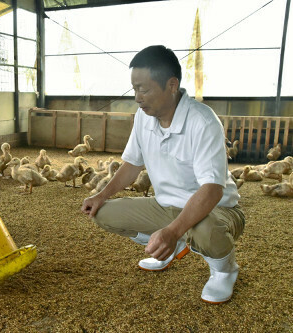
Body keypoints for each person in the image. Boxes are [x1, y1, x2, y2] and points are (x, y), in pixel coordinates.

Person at [81, 45, 245, 304]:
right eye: (134, 89)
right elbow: (132, 165)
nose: (137, 97)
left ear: (171, 85)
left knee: (205, 231)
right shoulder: (143, 117)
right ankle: (175, 245)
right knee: (103, 213)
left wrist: (172, 229)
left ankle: (224, 270)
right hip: (166, 207)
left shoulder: (202, 121)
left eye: (143, 89)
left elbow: (212, 190)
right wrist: (102, 195)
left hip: (217, 210)